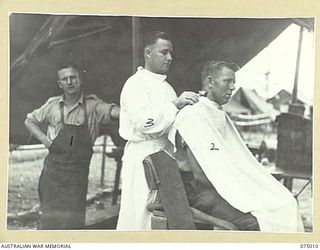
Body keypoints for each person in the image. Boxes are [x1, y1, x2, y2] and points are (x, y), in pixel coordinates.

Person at [169, 60, 304, 232]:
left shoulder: (216, 112)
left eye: (234, 82)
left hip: (219, 187)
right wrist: (238, 190)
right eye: (227, 81)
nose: (232, 87)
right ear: (210, 82)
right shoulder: (192, 115)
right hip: (200, 193)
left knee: (286, 202)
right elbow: (200, 175)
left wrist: (243, 185)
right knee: (258, 220)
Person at [117, 31, 199, 230]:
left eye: (171, 53)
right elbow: (143, 123)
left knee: (161, 216)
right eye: (164, 52)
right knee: (140, 215)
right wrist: (175, 106)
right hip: (143, 155)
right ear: (148, 52)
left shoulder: (167, 88)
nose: (169, 58)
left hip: (165, 157)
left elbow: (173, 124)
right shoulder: (135, 84)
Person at [24, 62, 120, 230]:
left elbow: (113, 111)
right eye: (65, 79)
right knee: (50, 223)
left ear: (80, 79)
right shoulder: (52, 105)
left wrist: (132, 111)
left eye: (73, 77)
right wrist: (45, 141)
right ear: (59, 84)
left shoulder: (93, 106)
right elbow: (29, 120)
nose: (69, 82)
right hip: (52, 177)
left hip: (77, 179)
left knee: (73, 225)